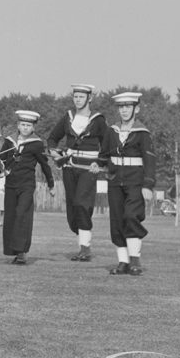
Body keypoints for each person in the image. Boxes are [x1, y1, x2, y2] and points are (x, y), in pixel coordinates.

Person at [95, 92, 156, 276]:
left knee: (131, 216)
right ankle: (123, 262)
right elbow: (104, 155)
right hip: (114, 182)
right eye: (121, 107)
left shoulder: (142, 133)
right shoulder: (111, 131)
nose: (124, 110)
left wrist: (148, 185)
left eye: (128, 107)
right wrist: (97, 164)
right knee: (117, 221)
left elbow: (150, 161)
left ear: (136, 109)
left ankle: (135, 260)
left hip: (135, 182)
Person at [46, 84, 108, 262]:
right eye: (76, 97)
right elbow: (52, 138)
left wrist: (100, 162)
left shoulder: (98, 120)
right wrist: (54, 152)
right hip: (70, 167)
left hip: (89, 169)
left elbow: (107, 144)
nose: (78, 100)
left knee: (82, 203)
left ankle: (85, 249)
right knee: (73, 207)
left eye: (82, 97)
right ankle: (82, 242)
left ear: (90, 98)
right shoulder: (68, 117)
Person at [0, 111, 54, 265]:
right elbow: (1, 160)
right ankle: (13, 251)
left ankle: (22, 252)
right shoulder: (9, 142)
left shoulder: (36, 144)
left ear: (33, 127)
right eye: (23, 124)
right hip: (10, 184)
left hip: (26, 185)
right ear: (18, 125)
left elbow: (44, 165)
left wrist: (51, 184)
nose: (25, 128)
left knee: (22, 215)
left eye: (28, 125)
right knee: (10, 216)